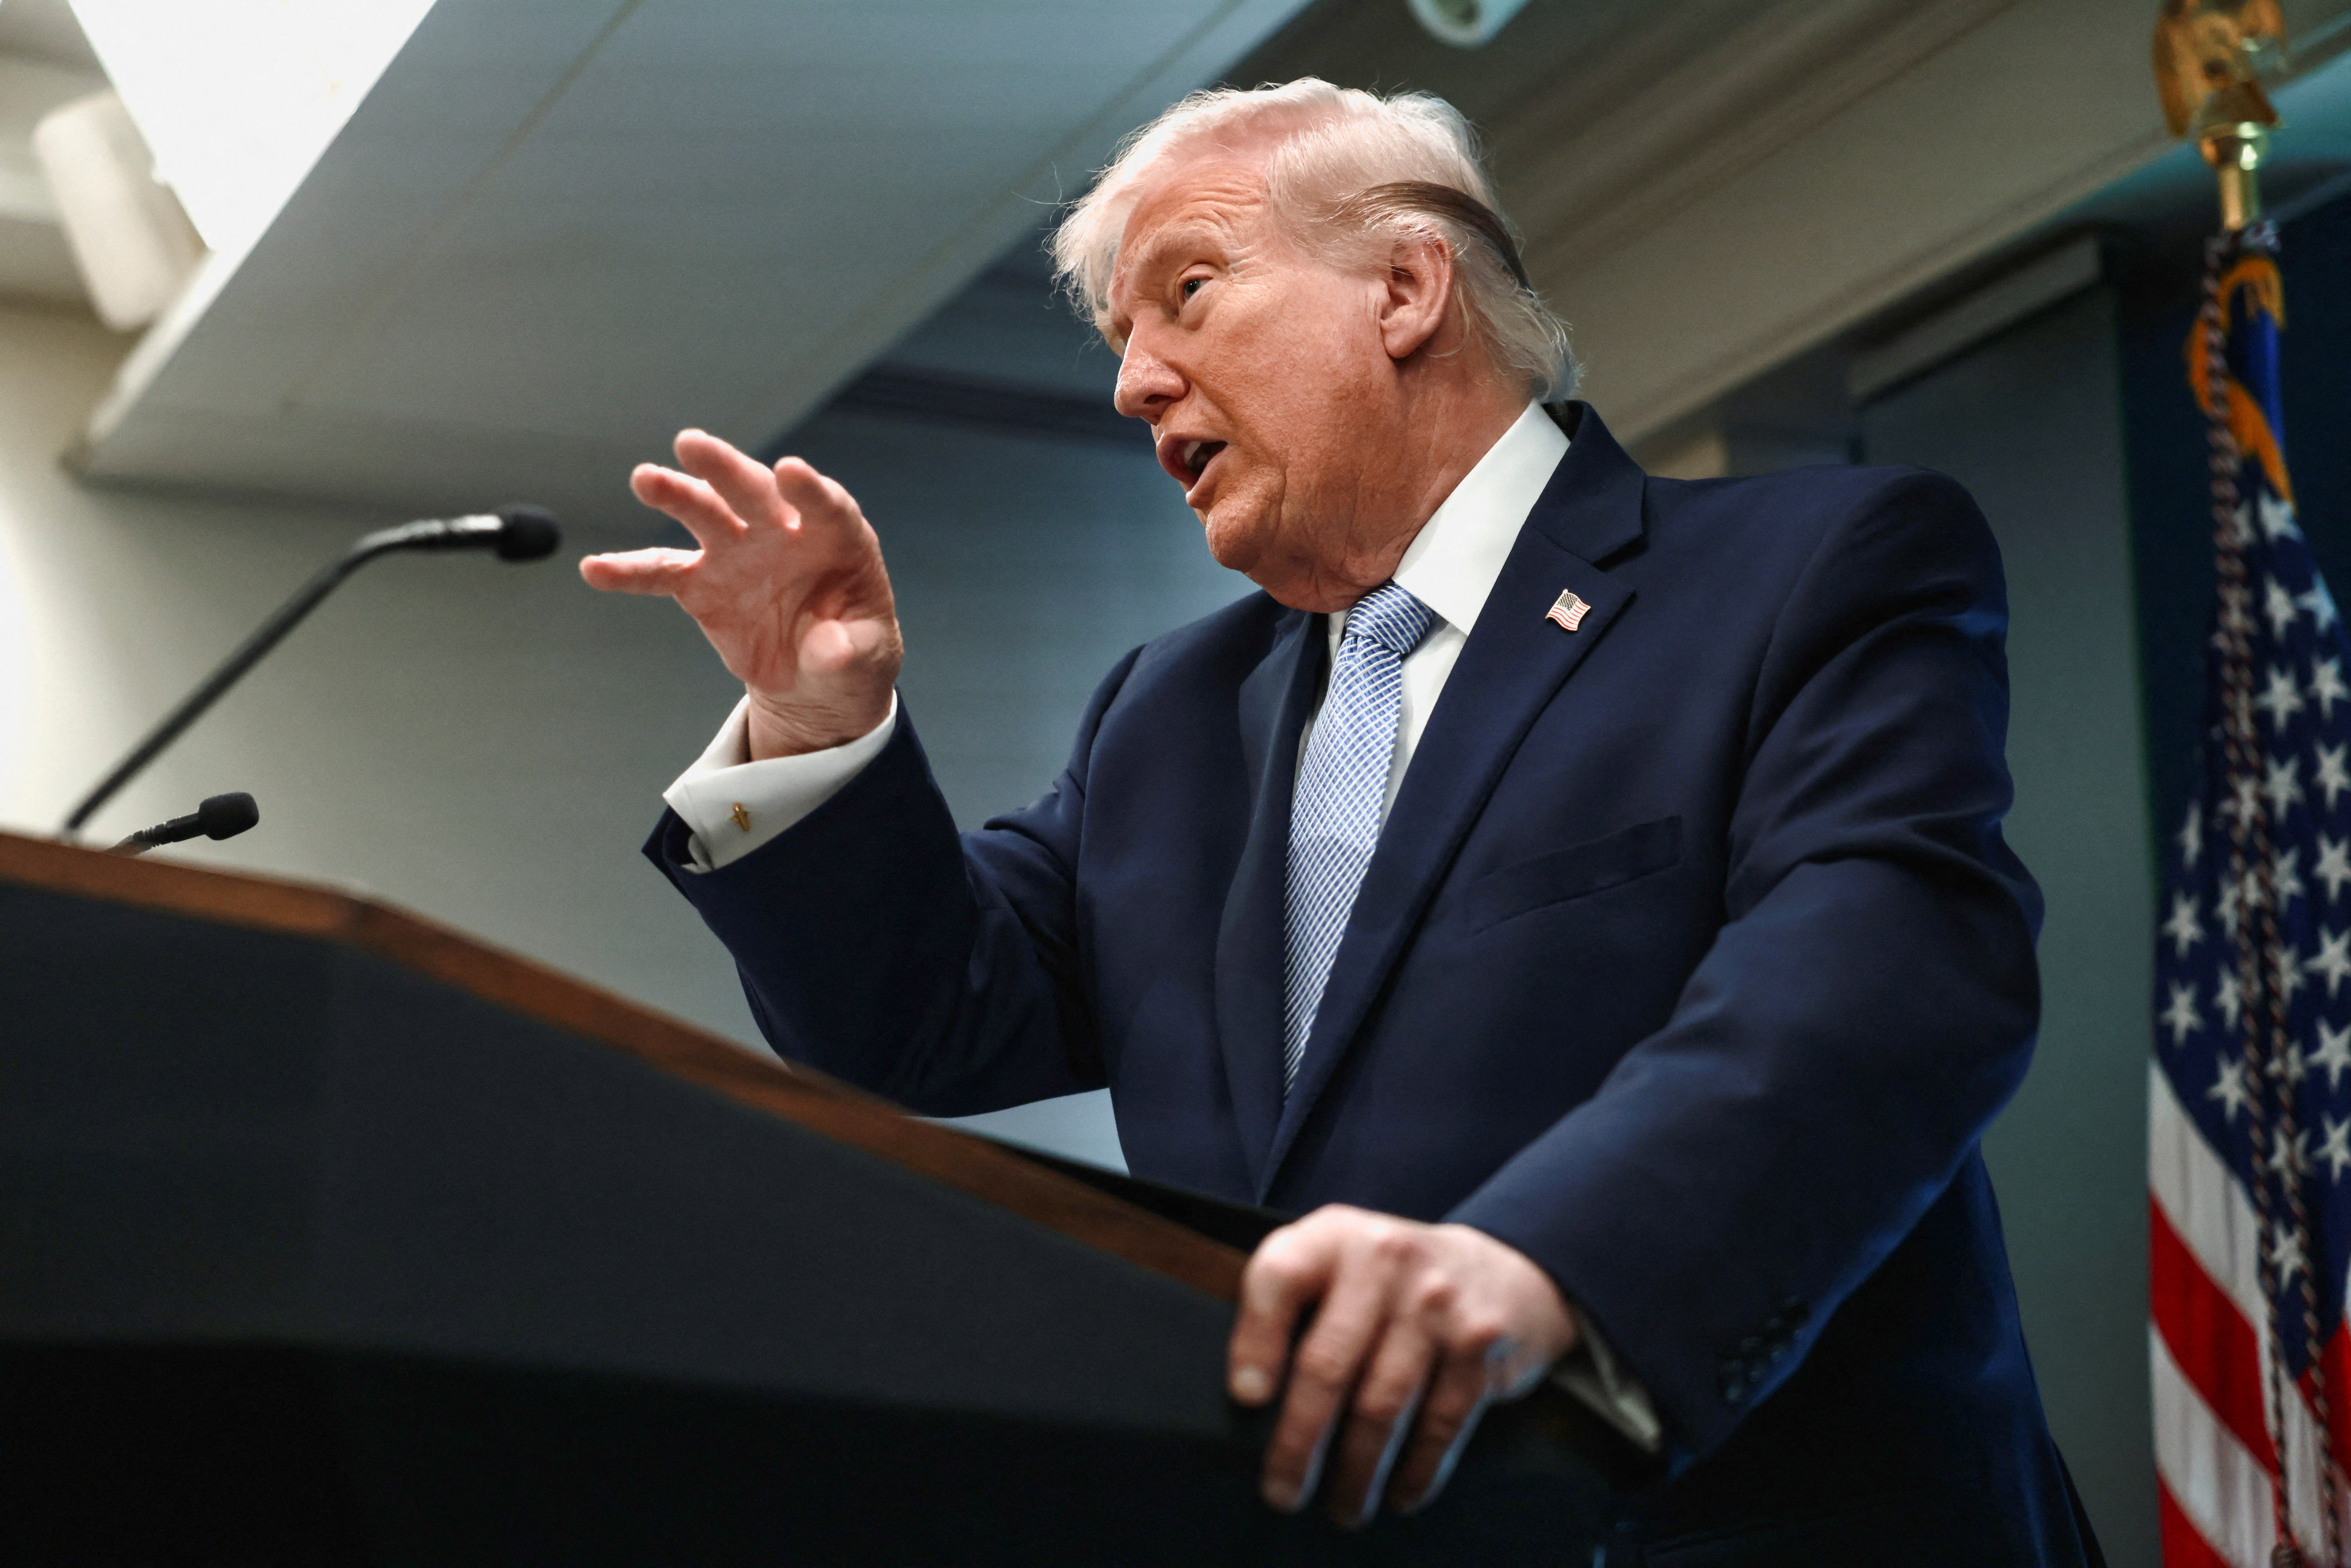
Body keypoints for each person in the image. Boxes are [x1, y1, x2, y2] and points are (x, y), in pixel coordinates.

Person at [582, 79, 2099, 1564]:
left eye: (1186, 291)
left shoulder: (1804, 568)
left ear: (1402, 286)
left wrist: (1549, 1265)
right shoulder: (1162, 719)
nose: (1132, 385)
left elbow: (1884, 964)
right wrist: (813, 715)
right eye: (1122, 340)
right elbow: (914, 1025)